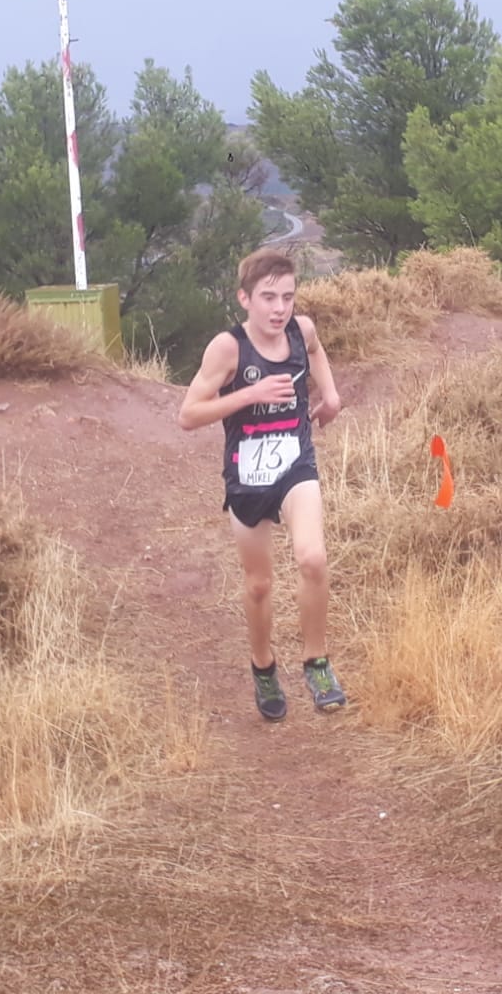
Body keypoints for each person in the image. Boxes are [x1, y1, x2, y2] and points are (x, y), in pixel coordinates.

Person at [178, 247, 346, 721]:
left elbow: (315, 352)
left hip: (295, 463)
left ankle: (316, 663)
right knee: (259, 585)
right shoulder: (228, 348)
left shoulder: (302, 330)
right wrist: (249, 393)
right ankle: (264, 667)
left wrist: (330, 395)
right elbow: (188, 415)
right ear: (244, 299)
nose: (279, 309)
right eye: (268, 297)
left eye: (287, 297)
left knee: (312, 559)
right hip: (247, 476)